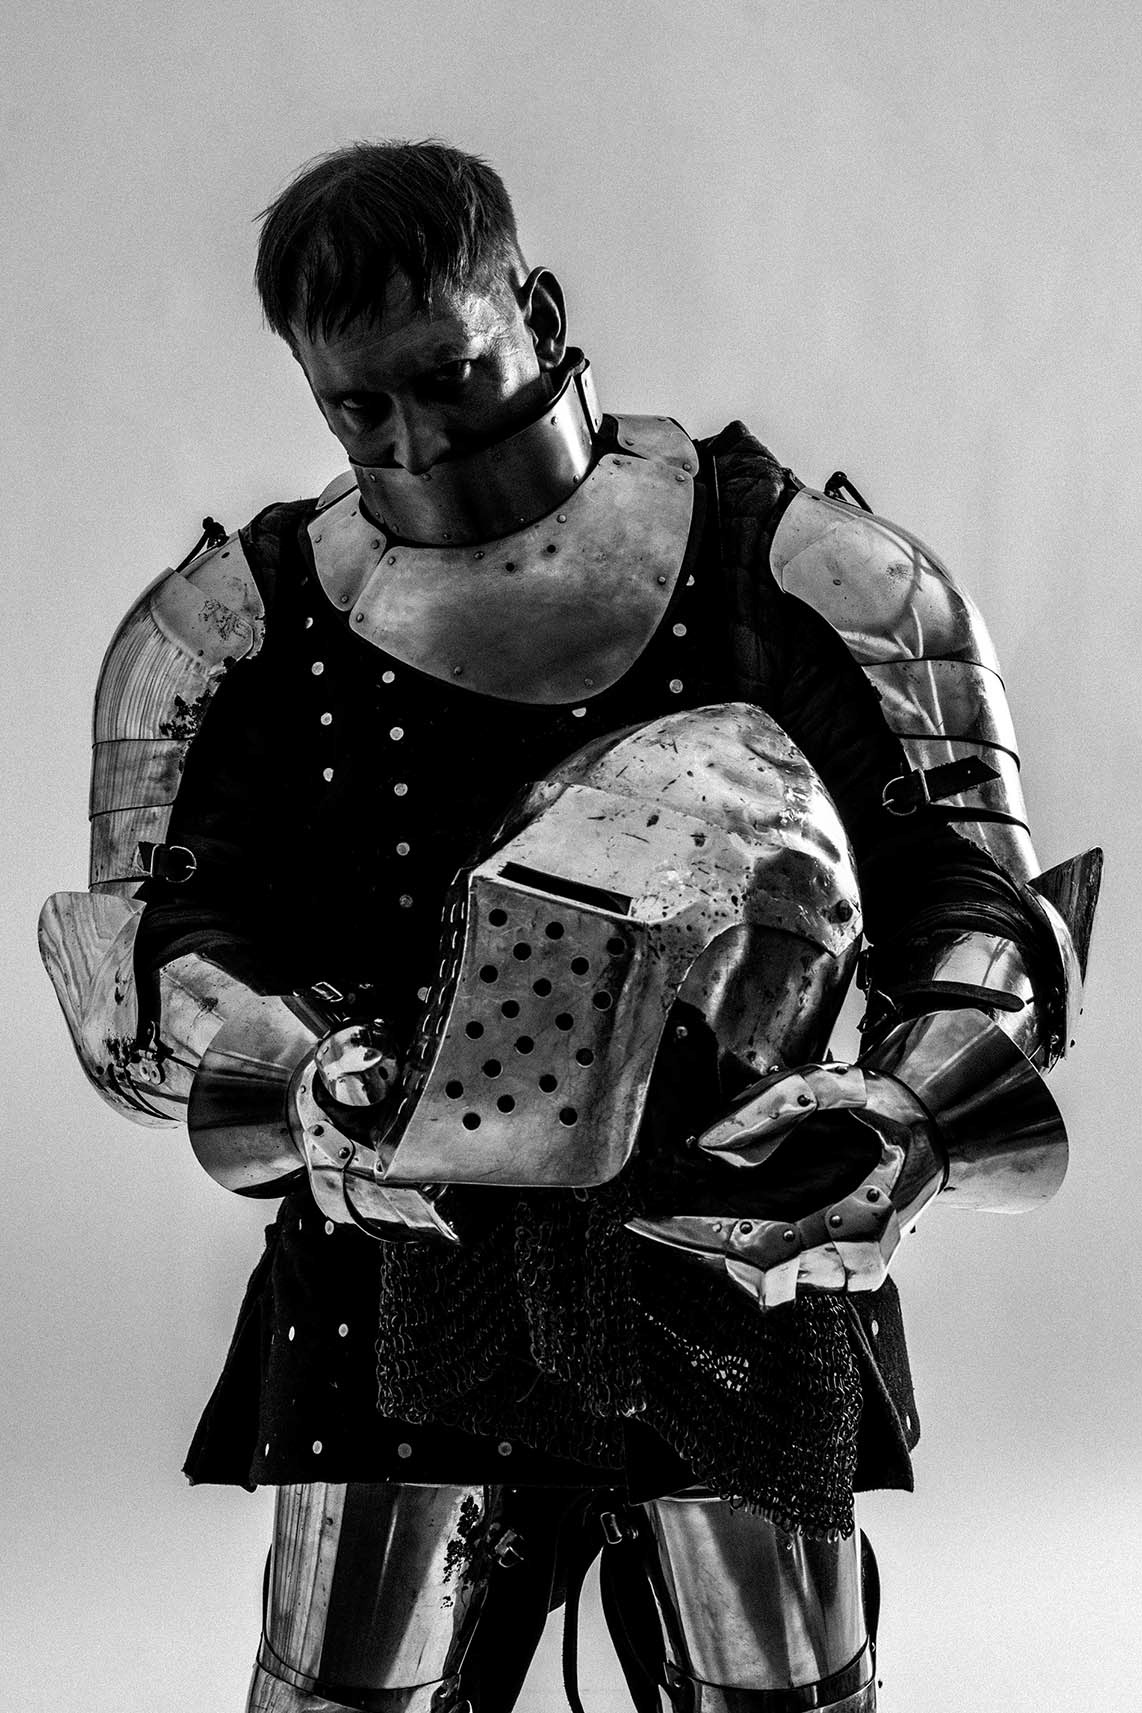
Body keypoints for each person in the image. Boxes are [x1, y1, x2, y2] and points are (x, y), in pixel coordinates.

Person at [40, 141, 1098, 1713]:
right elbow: (160, 940)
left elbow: (968, 888)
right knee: (343, 1691)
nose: (412, 438)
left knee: (779, 1693)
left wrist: (905, 1110)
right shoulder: (237, 625)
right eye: (357, 406)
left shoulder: (795, 569)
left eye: (446, 375)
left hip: (725, 1226)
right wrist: (298, 1075)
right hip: (398, 1231)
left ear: (532, 311)